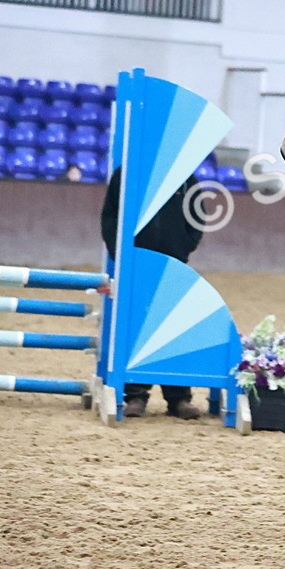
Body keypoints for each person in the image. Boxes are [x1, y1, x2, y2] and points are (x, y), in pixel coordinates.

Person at [100, 166, 205, 420]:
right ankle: (135, 395)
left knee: (173, 328)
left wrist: (184, 248)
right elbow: (110, 218)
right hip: (135, 264)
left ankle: (178, 398)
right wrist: (122, 255)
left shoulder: (184, 175)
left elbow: (198, 214)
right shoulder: (125, 174)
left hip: (173, 264)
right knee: (136, 328)